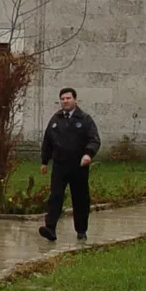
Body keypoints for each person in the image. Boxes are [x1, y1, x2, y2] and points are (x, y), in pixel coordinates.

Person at [39, 87, 100, 242]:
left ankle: (81, 230)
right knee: (55, 196)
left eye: (68, 98)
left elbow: (94, 139)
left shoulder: (84, 119)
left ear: (75, 100)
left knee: (80, 198)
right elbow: (48, 141)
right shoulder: (56, 119)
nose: (65, 101)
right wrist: (44, 161)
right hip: (60, 165)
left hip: (78, 166)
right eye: (62, 99)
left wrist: (88, 154)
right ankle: (50, 228)